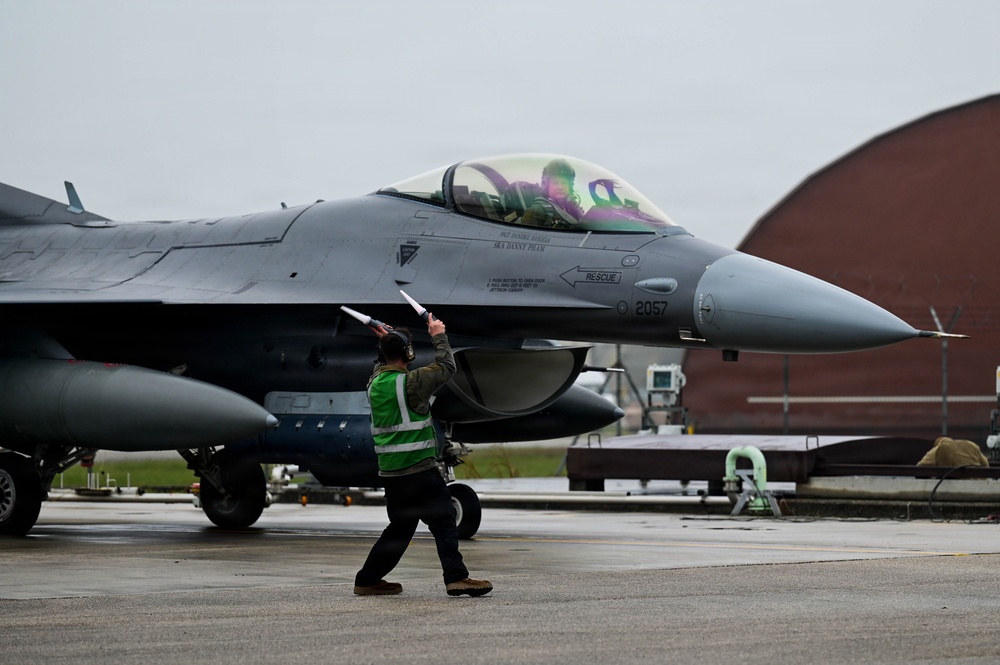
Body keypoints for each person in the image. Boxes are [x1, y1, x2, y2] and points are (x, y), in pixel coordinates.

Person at [353, 313, 493, 597]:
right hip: (419, 469)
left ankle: (367, 580)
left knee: (400, 527)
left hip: (391, 473)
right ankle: (456, 578)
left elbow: (383, 363)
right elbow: (446, 365)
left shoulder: (374, 384)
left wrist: (387, 343)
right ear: (409, 353)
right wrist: (438, 333)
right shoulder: (413, 383)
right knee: (443, 521)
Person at [520, 158, 585, 228]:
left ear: (570, 186)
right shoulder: (536, 211)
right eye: (555, 183)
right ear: (547, 185)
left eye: (564, 183)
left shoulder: (573, 209)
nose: (560, 187)